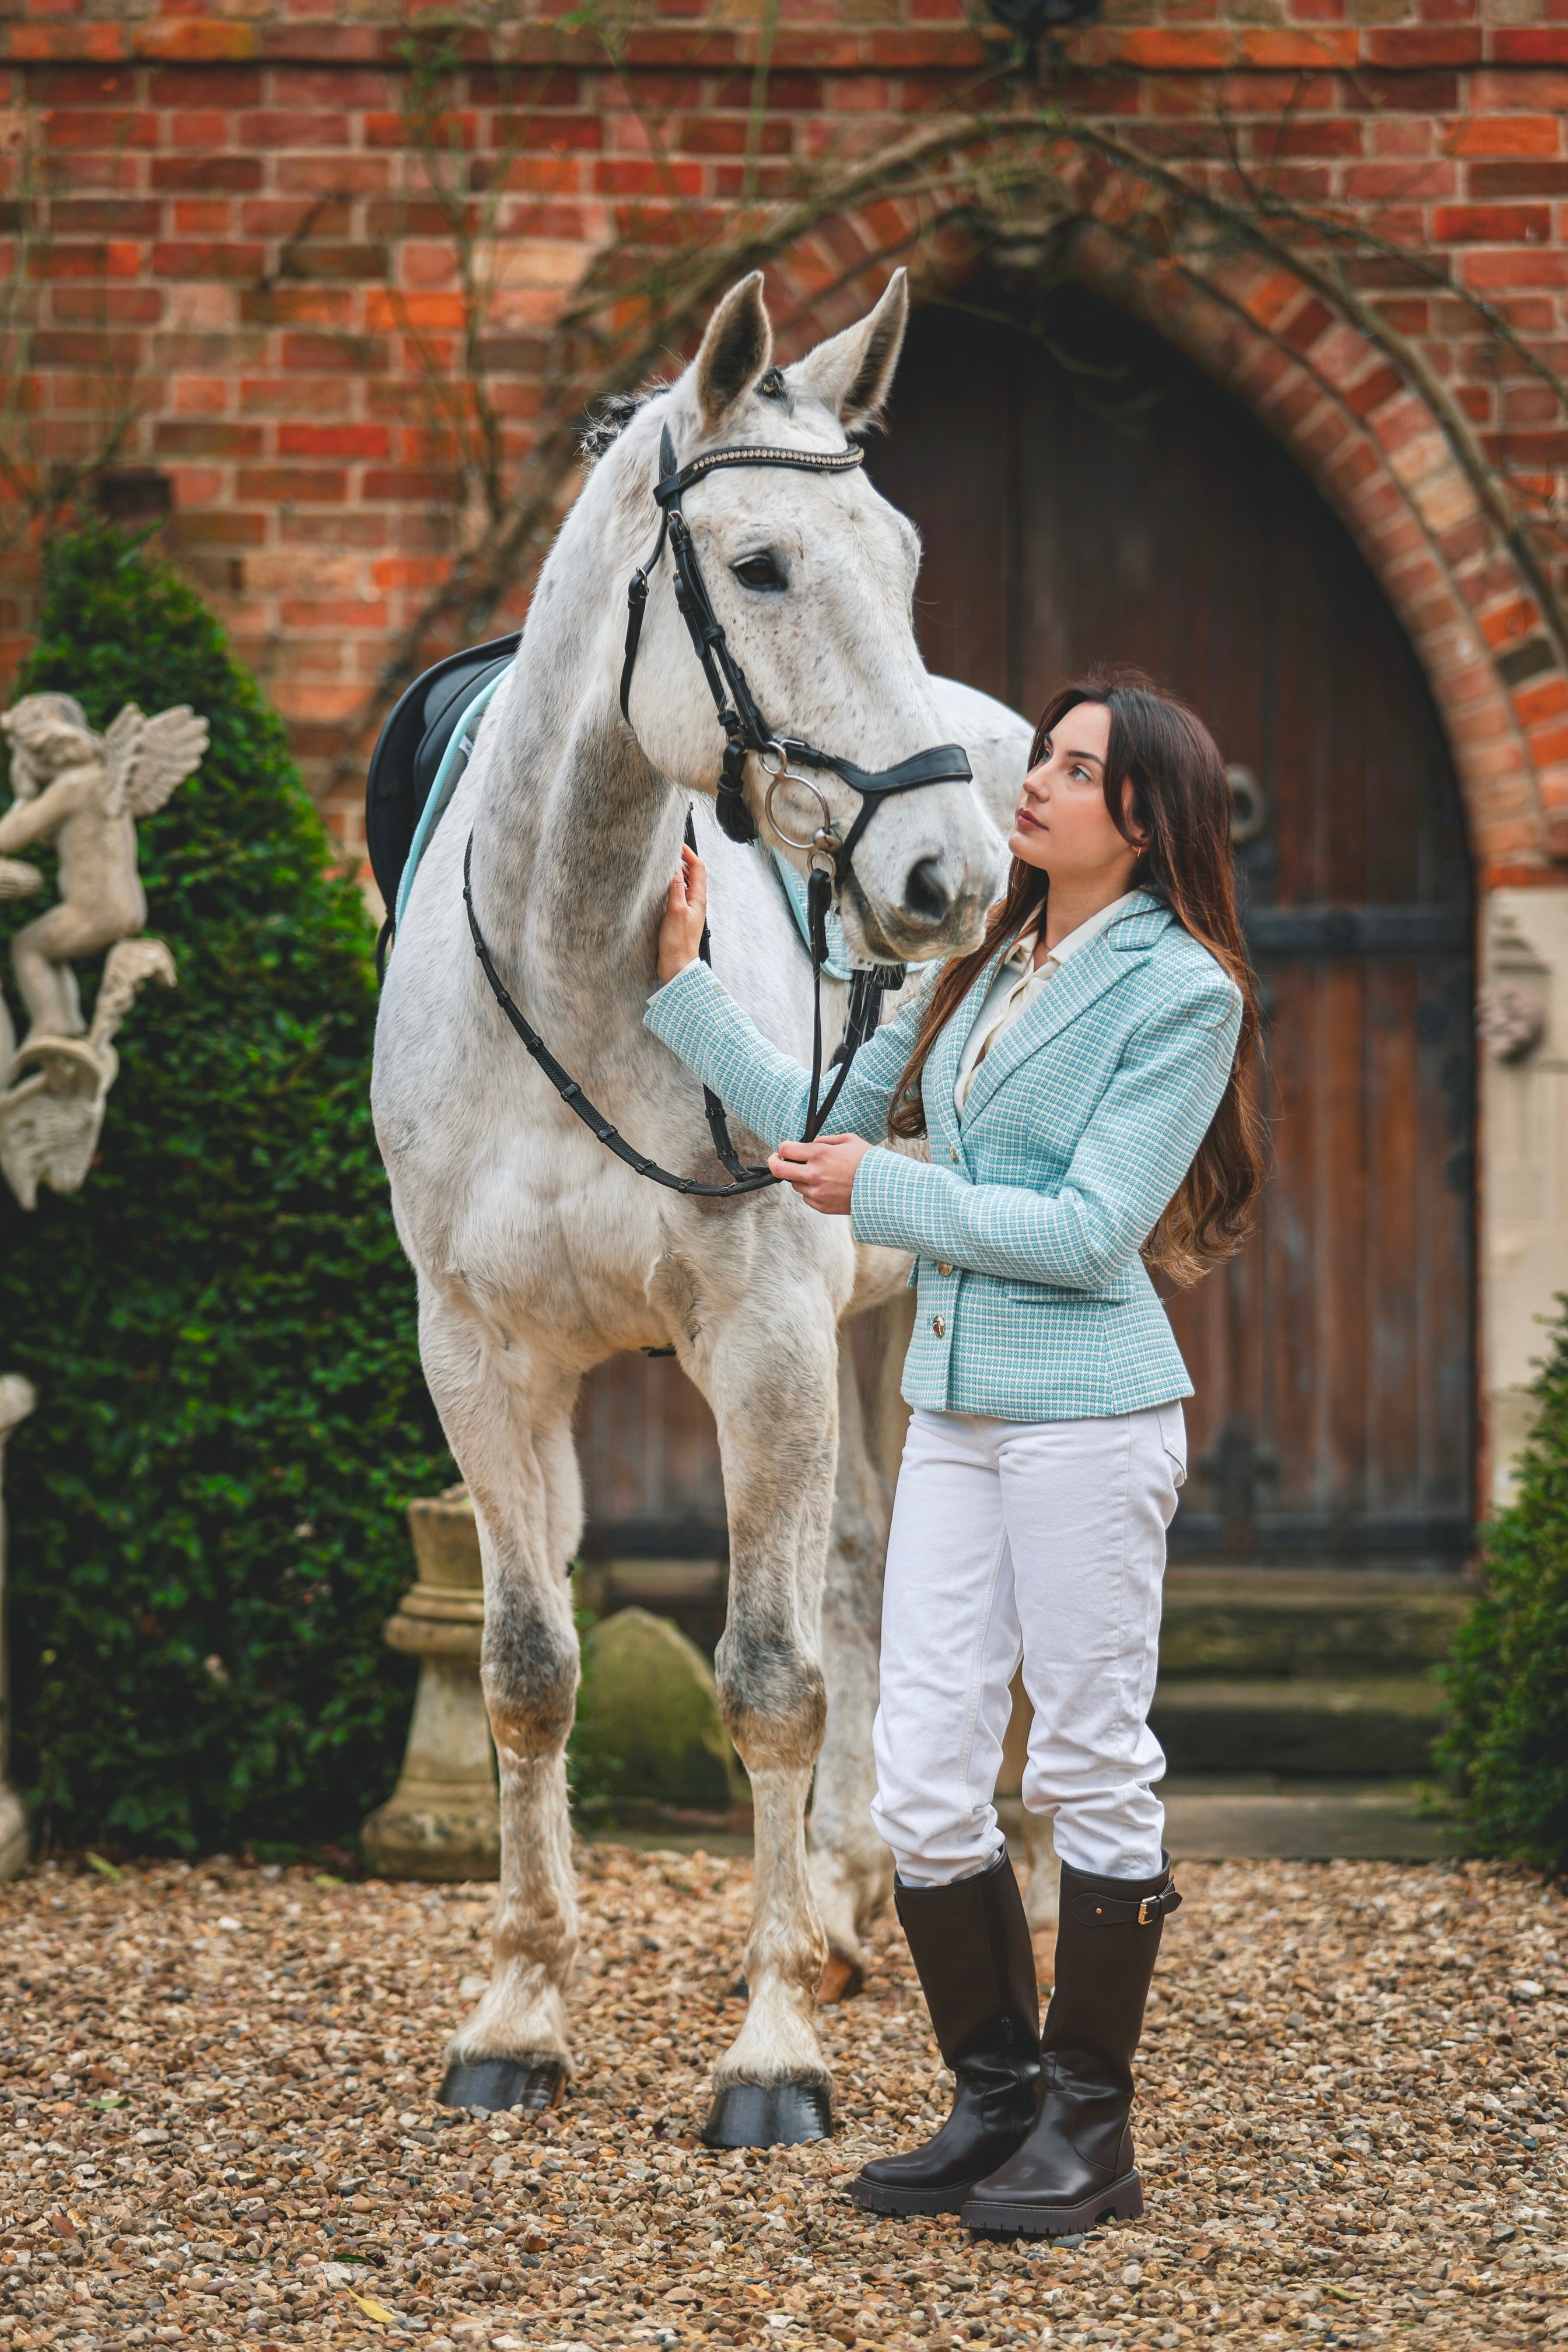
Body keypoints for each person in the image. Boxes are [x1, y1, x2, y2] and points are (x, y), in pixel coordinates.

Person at [646, 668, 1264, 2239]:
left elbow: (1091, 1232)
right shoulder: (973, 973)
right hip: (960, 1413)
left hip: (1092, 1415)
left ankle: (1091, 2125)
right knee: (924, 1776)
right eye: (1041, 760)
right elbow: (812, 1131)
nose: (1033, 784)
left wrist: (893, 1191)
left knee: (1087, 1762)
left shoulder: (1184, 989)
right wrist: (690, 985)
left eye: (1070, 768)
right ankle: (994, 2105)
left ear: (1142, 813)